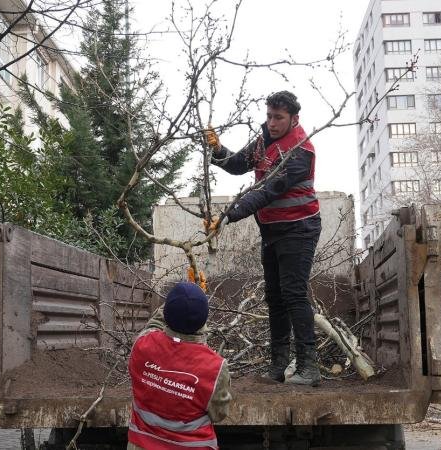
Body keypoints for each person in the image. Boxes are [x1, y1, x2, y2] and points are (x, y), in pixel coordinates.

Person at [204, 91, 321, 386]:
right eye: (269, 116)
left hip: (300, 228)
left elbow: (268, 190)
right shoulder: (262, 144)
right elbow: (236, 163)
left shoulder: (300, 151)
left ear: (294, 119)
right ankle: (278, 366)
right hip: (272, 231)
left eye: (278, 118)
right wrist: (217, 149)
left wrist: (228, 216)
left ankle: (310, 367)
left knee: (293, 293)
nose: (271, 123)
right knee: (275, 298)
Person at [127, 282, 232, 450]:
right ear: (203, 318)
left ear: (168, 311)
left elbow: (155, 324)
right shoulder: (215, 367)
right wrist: (194, 302)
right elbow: (219, 414)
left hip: (141, 444)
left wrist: (181, 301)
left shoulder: (142, 345)